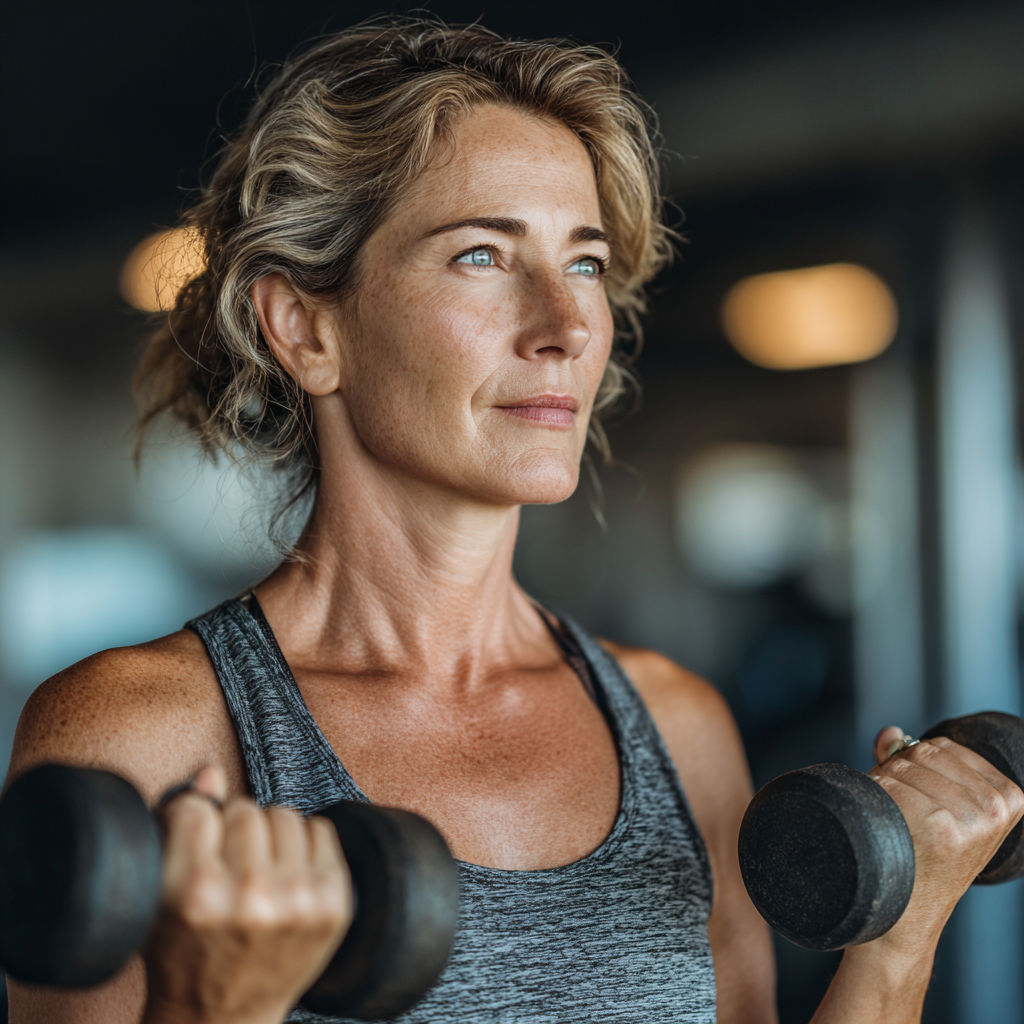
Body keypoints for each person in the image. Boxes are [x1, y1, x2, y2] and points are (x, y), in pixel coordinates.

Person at [6, 19, 1022, 1024]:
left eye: (584, 263)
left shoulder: (679, 726)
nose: (567, 325)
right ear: (306, 328)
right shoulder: (142, 736)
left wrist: (901, 934)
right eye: (483, 255)